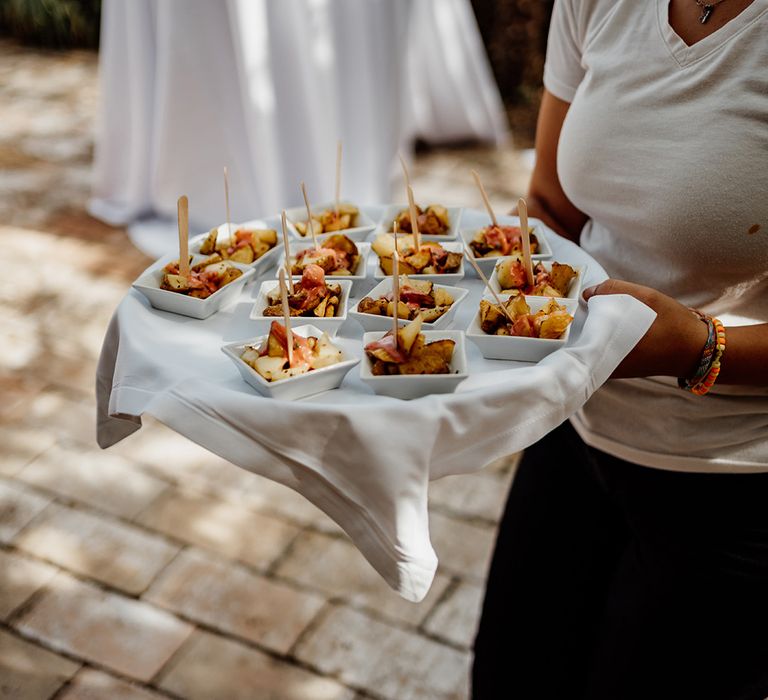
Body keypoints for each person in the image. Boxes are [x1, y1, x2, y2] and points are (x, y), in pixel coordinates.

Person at [472, 1, 768, 698]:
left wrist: (697, 347)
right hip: (573, 429)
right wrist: (505, 284)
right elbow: (551, 201)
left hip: (729, 488)